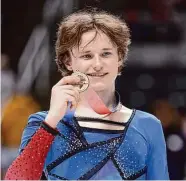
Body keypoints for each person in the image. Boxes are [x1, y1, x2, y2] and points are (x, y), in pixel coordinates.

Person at [5, 9, 169, 180]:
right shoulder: (43, 123)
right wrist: (52, 119)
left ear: (119, 58)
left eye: (106, 54)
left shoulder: (148, 126)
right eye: (87, 55)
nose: (97, 64)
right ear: (68, 61)